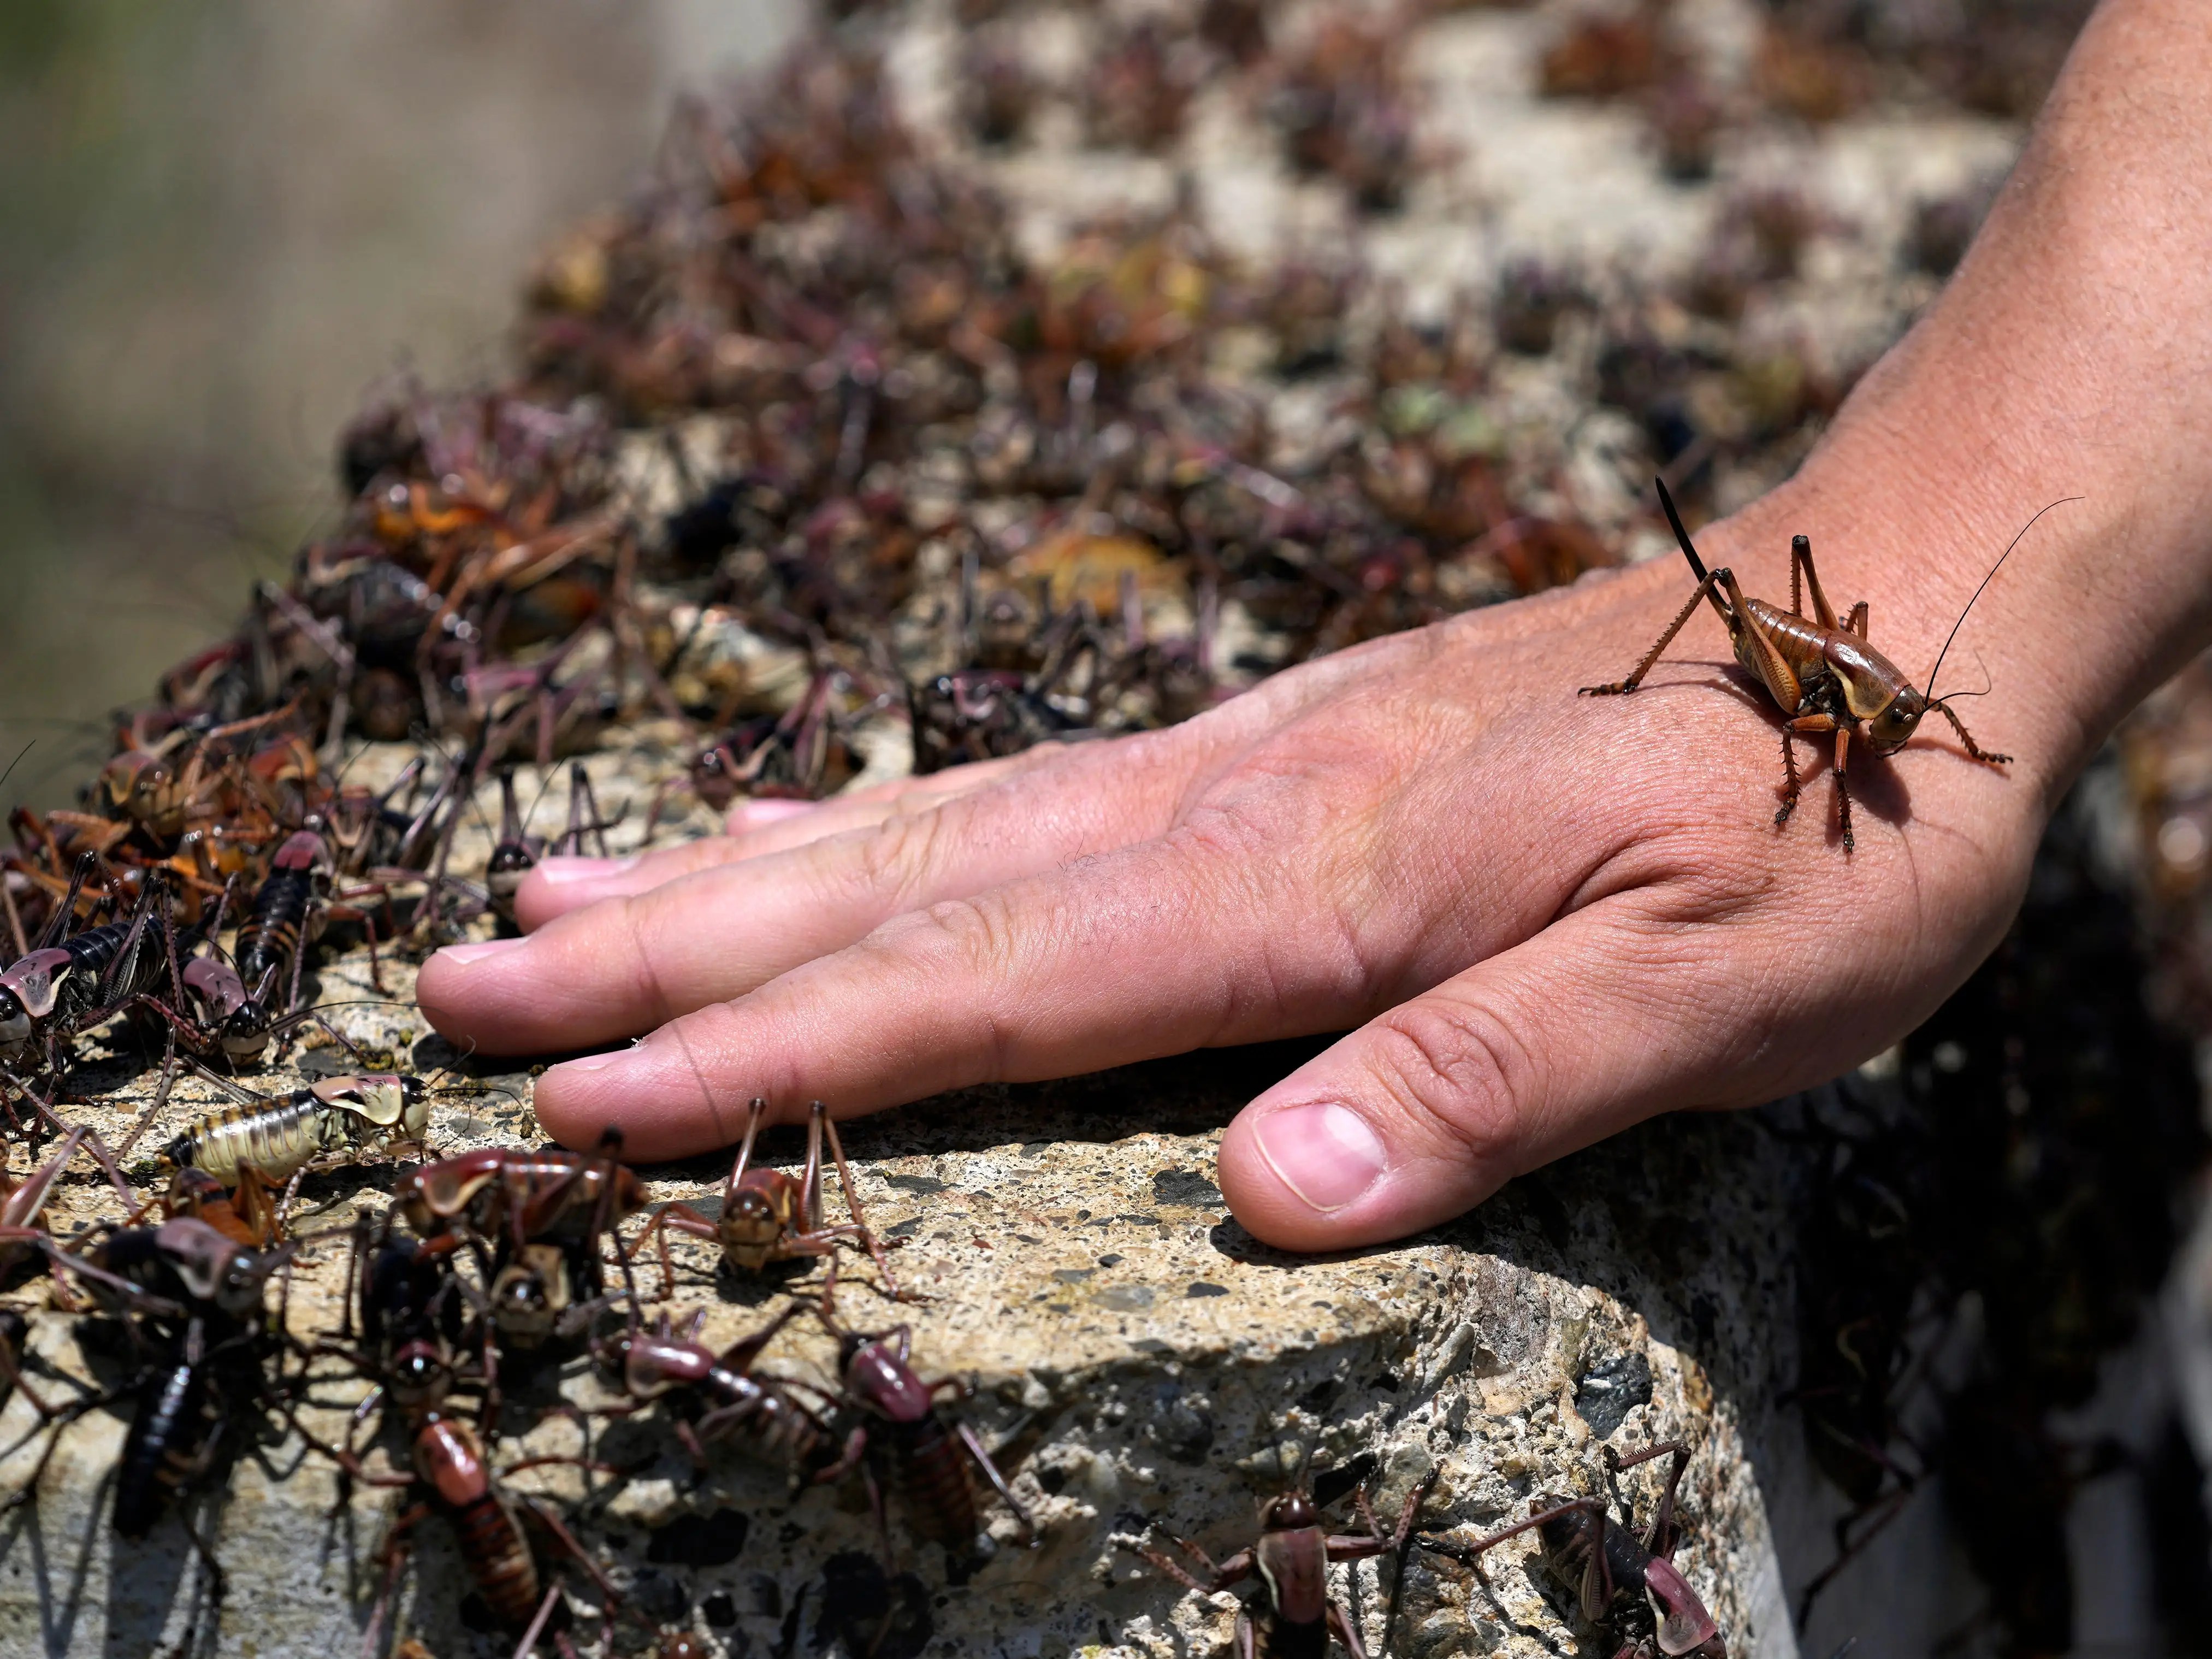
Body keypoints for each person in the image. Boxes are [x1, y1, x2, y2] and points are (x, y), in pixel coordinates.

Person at [419, 0, 2211, 1254]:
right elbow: (1824, 689)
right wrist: (1924, 523)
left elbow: (1900, 712)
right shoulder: (1821, 711)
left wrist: (1972, 594)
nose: (1882, 748)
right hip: (1765, 639)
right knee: (1737, 621)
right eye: (1881, 729)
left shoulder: (1893, 727)